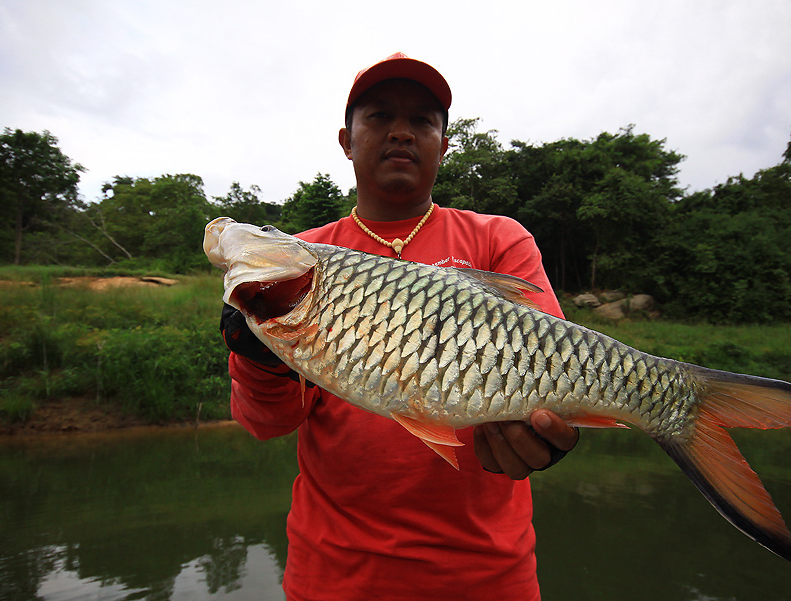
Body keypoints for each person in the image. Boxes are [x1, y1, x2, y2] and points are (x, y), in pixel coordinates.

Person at [221, 52, 579, 601]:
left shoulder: (499, 238)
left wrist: (545, 432)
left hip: (488, 577)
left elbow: (555, 373)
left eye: (422, 121)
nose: (401, 133)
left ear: (444, 143)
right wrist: (260, 358)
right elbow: (265, 423)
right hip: (333, 577)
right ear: (346, 139)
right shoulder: (306, 259)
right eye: (379, 116)